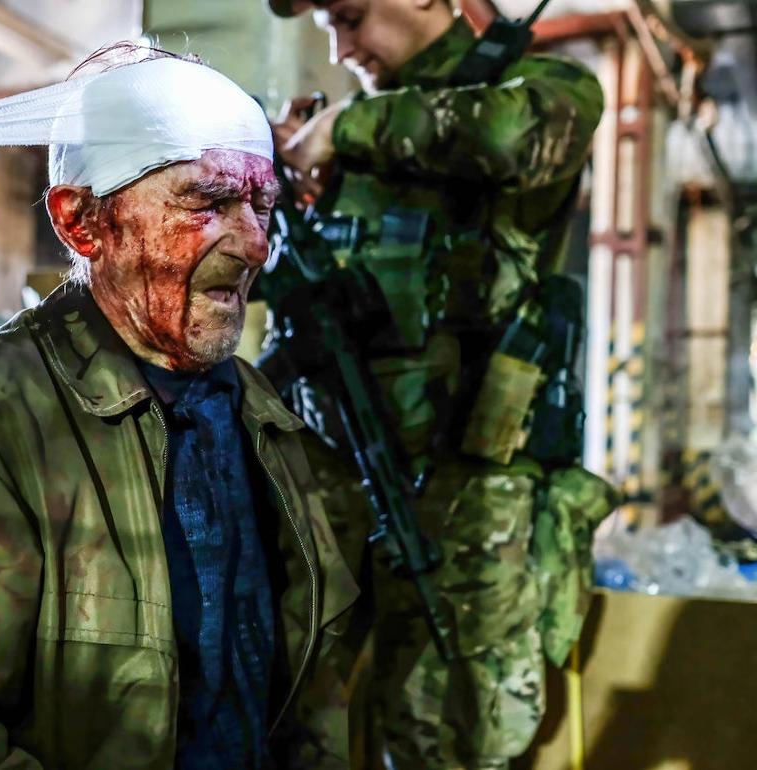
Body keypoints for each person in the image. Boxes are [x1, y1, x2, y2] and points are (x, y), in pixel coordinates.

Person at [0, 48, 358, 770]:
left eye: (261, 204)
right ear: (83, 222)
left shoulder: (260, 413)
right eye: (208, 202)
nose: (254, 245)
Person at [262, 1, 617, 768]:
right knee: (285, 727)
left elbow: (511, 136)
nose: (340, 46)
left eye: (350, 15)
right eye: (327, 27)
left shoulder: (544, 88)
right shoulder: (339, 144)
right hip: (331, 483)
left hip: (462, 502)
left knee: (447, 739)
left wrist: (346, 129)